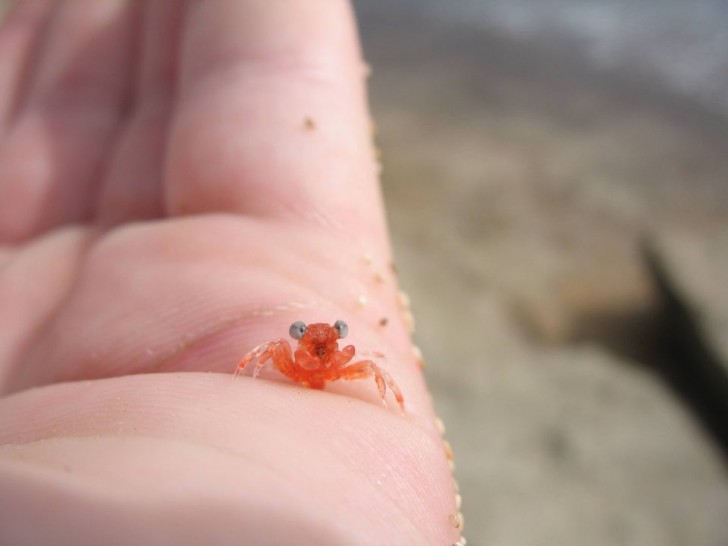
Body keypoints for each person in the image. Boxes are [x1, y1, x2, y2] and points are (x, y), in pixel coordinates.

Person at [0, 1, 460, 544]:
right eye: (308, 336)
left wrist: (390, 409)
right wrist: (246, 374)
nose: (319, 344)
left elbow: (376, 367)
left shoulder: (346, 361)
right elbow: (266, 351)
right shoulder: (284, 352)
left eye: (331, 337)